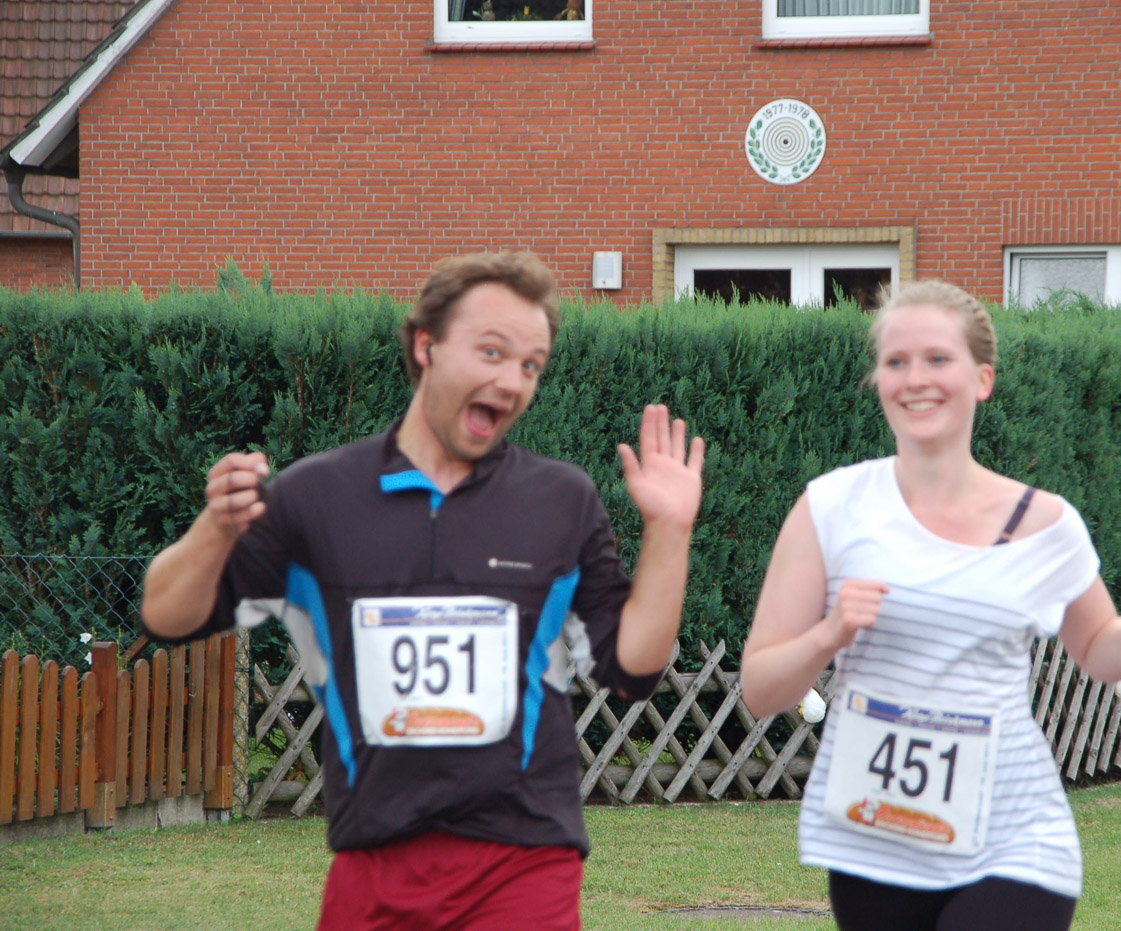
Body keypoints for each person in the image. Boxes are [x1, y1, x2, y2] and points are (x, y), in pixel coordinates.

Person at [140, 252, 705, 930]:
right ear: (425, 345)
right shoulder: (316, 497)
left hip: (525, 861)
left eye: (531, 365)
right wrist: (215, 528)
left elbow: (633, 668)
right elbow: (166, 616)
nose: (512, 380)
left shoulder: (561, 501)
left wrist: (669, 531)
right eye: (492, 351)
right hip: (372, 864)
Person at [739, 281, 1121, 931]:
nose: (915, 378)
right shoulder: (830, 508)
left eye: (937, 359)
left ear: (982, 378)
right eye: (896, 361)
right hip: (875, 839)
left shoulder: (1045, 523)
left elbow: (1097, 642)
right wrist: (827, 635)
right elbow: (759, 689)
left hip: (1016, 838)